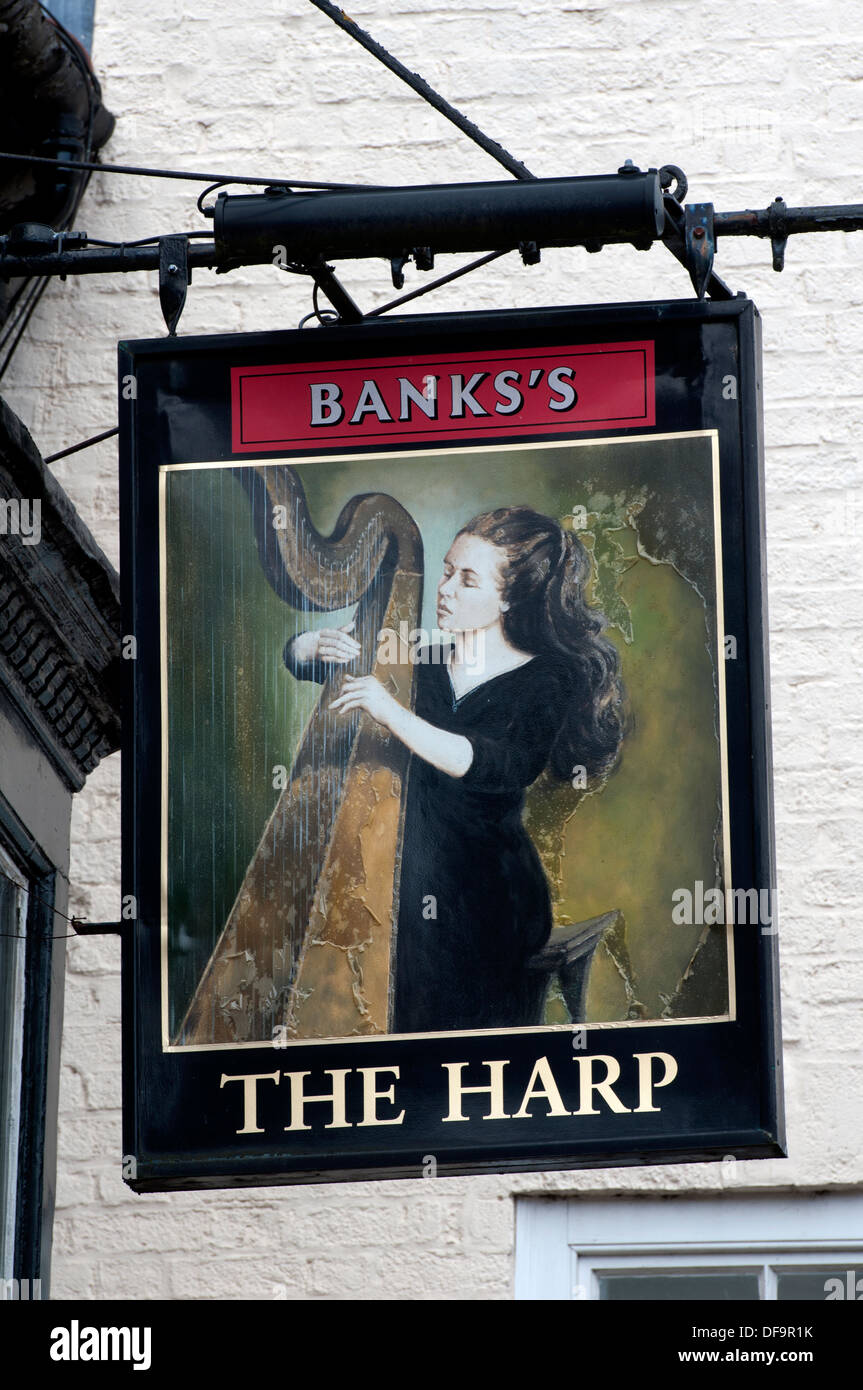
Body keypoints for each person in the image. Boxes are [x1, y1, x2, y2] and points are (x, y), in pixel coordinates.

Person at [285, 505, 626, 1034]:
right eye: (446, 571)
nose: (444, 589)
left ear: (510, 597)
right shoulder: (421, 658)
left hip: (487, 890)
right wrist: (310, 645)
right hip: (412, 871)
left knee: (417, 962)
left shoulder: (549, 679)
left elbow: (495, 766)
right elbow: (304, 665)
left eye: (467, 580)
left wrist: (389, 709)